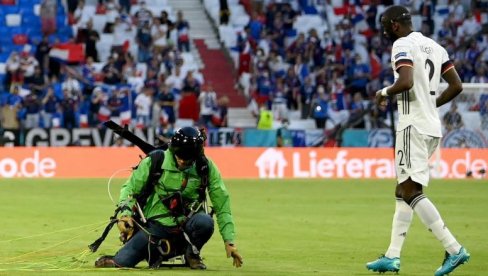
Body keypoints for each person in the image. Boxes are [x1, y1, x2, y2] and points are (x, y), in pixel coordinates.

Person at [366, 6, 469, 276]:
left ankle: (454, 248)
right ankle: (392, 255)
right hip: (431, 126)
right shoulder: (435, 46)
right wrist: (431, 104)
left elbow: (406, 81)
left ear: (396, 25)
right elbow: (457, 85)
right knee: (403, 190)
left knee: (411, 192)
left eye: (386, 26)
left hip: (412, 126)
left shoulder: (402, 44)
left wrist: (384, 92)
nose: (385, 31)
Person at [94, 127, 243, 270]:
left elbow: (222, 205)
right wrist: (125, 214)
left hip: (188, 223)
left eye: (188, 160)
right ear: (173, 149)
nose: (183, 163)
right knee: (122, 262)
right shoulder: (156, 160)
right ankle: (157, 253)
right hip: (155, 225)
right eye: (180, 158)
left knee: (205, 222)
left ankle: (192, 253)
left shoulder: (205, 167)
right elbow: (130, 189)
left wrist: (229, 241)